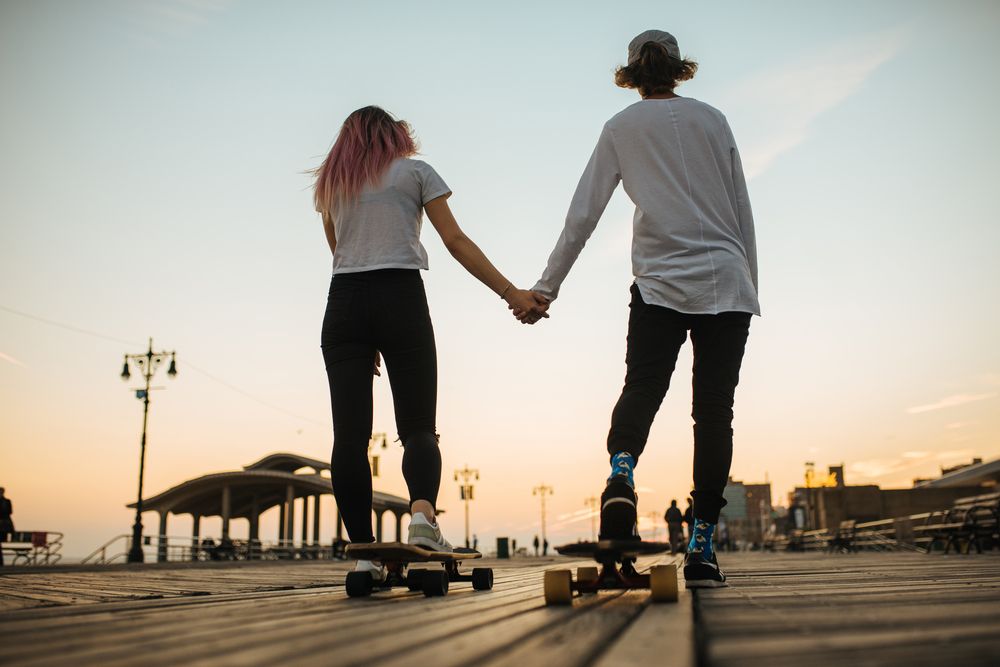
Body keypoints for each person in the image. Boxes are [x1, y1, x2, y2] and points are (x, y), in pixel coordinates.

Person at [518, 30, 759, 589]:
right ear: (679, 70)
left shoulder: (620, 128)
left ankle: (622, 472)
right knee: (713, 413)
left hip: (660, 284)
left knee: (642, 388)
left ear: (631, 74)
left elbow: (583, 216)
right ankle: (701, 546)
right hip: (726, 282)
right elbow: (741, 204)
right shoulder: (713, 119)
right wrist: (748, 282)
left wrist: (545, 289)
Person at [313, 106, 548, 583]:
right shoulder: (415, 171)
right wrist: (511, 293)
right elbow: (455, 240)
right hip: (400, 298)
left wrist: (363, 327)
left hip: (343, 306)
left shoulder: (332, 182)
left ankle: (363, 554)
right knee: (418, 427)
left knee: (349, 437)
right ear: (396, 136)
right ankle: (423, 517)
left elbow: (338, 249)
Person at [0, 488, 12, 567]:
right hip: (4, 525)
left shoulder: (7, 501)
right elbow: (10, 512)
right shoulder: (7, 501)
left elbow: (10, 512)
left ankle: (1, 562)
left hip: (3, 526)